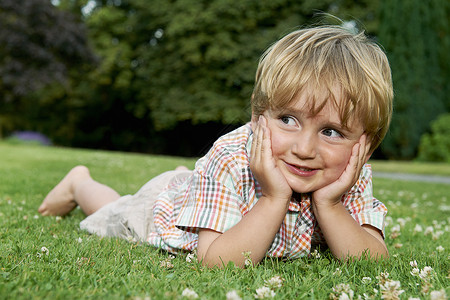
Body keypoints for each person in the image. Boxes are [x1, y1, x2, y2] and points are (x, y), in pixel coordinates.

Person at [38, 24, 393, 268]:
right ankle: (79, 183)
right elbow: (216, 261)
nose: (304, 147)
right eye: (288, 119)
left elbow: (372, 260)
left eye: (331, 131)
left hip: (200, 190)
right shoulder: (231, 156)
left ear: (366, 144)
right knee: (116, 211)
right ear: (258, 115)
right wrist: (273, 198)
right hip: (162, 213)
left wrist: (330, 204)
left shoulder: (349, 171)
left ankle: (183, 178)